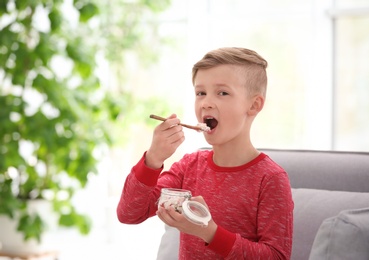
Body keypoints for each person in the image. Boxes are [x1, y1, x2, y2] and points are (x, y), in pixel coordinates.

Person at [116, 47, 294, 259]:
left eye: (222, 93)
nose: (206, 103)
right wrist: (153, 159)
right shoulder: (189, 167)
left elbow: (277, 256)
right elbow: (129, 213)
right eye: (201, 93)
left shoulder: (271, 179)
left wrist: (208, 232)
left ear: (254, 105)